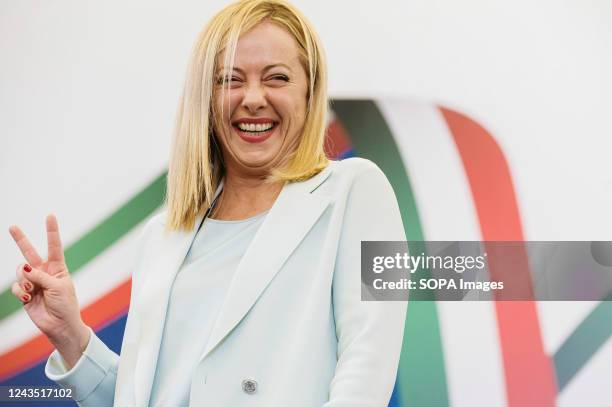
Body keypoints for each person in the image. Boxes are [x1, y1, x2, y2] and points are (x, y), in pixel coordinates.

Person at [9, 0, 408, 405]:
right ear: (205, 98)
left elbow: (366, 374)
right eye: (229, 80)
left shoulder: (358, 192)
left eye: (277, 78)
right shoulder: (161, 237)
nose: (253, 98)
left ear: (309, 90)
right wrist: (70, 336)